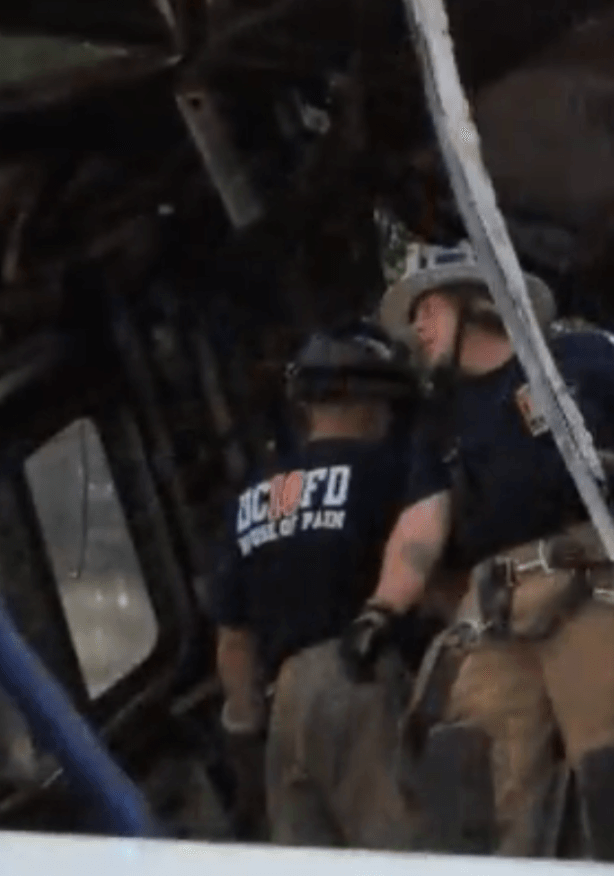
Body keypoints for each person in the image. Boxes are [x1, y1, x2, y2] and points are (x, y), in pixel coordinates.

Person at [340, 242, 614, 862]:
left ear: (477, 303)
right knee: (471, 777)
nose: (416, 328)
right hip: (496, 606)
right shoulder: (440, 419)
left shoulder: (576, 356)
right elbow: (422, 526)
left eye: (428, 309)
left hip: (592, 580)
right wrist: (381, 609)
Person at [209, 322, 423, 847]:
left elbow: (234, 641)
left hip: (286, 705)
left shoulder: (254, 496)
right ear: (371, 402)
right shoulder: (387, 472)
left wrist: (247, 738)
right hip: (363, 682)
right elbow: (432, 581)